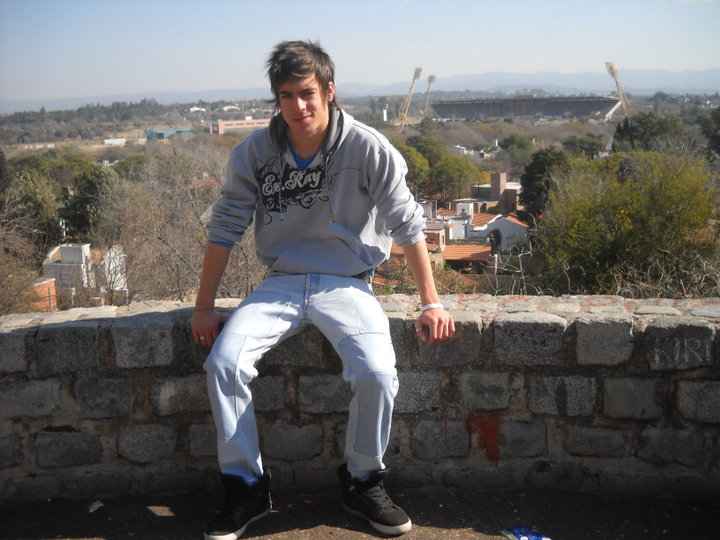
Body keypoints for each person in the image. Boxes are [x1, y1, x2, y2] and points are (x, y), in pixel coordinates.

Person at [191, 40, 455, 540]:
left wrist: (431, 302)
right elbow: (224, 227)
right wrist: (204, 307)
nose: (299, 106)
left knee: (377, 373)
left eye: (307, 93)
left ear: (329, 91)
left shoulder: (367, 147)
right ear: (277, 99)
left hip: (347, 282)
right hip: (282, 282)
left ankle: (363, 481)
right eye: (286, 95)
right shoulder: (255, 152)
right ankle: (246, 486)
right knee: (224, 363)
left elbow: (408, 225)